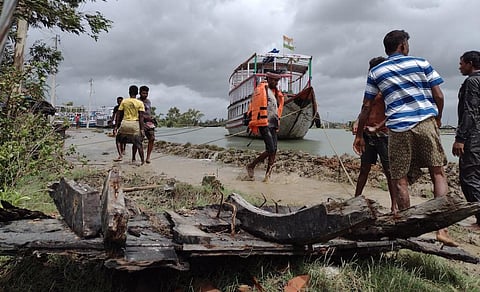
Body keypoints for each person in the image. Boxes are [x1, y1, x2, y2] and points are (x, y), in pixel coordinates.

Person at [353, 30, 457, 246]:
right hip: (424, 121)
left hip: (397, 128)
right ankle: (442, 229)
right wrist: (436, 118)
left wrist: (359, 134)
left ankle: (407, 231)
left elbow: (366, 106)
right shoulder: (421, 63)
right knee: (437, 172)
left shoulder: (376, 71)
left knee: (399, 178)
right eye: (407, 44)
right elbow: (438, 95)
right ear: (402, 46)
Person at [352, 56, 397, 213]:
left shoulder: (389, 88)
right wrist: (358, 123)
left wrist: (378, 127)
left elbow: (393, 112)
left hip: (384, 135)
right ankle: (356, 198)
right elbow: (364, 109)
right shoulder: (370, 89)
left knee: (389, 171)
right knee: (364, 168)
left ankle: (394, 206)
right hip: (367, 135)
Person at [452, 51, 480, 230]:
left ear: (470, 63)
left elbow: (470, 111)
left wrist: (460, 138)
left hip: (473, 137)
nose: (460, 66)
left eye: (462, 63)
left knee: (469, 177)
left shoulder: (472, 81)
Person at [245, 71, 284, 182]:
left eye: (277, 80)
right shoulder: (261, 90)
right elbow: (253, 106)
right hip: (264, 123)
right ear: (268, 78)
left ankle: (267, 176)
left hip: (273, 123)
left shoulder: (277, 92)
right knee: (270, 149)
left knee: (274, 150)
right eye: (273, 80)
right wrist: (252, 121)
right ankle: (251, 166)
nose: (275, 82)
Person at [114, 85, 145, 165]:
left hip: (125, 123)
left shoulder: (124, 101)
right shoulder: (140, 103)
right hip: (135, 124)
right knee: (138, 144)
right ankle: (142, 161)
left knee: (118, 139)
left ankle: (120, 155)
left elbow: (119, 115)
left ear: (129, 92)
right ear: (137, 93)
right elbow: (141, 117)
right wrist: (142, 129)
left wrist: (116, 127)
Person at [132, 86, 155, 163]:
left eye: (146, 93)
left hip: (149, 123)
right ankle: (134, 157)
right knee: (137, 141)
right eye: (143, 93)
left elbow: (148, 112)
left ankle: (148, 157)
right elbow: (136, 113)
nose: (145, 95)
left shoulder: (148, 101)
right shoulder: (136, 101)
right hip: (139, 122)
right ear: (140, 93)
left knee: (152, 138)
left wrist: (151, 117)